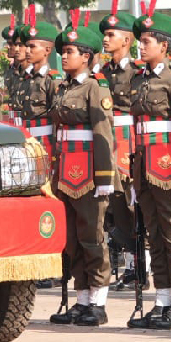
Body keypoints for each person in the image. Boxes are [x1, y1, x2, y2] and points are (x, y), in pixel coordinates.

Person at [126, 3, 171, 331]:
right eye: (140, 41)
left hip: (168, 169)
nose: (141, 46)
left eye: (147, 41)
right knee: (154, 234)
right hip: (144, 168)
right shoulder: (140, 81)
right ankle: (162, 298)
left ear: (164, 47)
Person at [47, 18, 115, 326]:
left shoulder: (94, 88)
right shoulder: (62, 87)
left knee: (92, 236)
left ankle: (98, 301)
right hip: (65, 172)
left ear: (86, 56)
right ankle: (82, 298)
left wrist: (104, 178)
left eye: (70, 51)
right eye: (63, 51)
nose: (64, 56)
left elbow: (104, 135)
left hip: (87, 173)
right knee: (71, 238)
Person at [98, 0, 144, 291]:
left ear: (127, 40)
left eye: (111, 35)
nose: (105, 39)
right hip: (110, 142)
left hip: (131, 142)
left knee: (133, 204)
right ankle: (130, 265)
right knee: (115, 207)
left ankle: (140, 266)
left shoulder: (137, 72)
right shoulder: (102, 72)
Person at [17, 20, 62, 153]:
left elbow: (57, 119)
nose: (28, 51)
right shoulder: (26, 77)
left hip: (44, 141)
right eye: (27, 46)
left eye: (32, 47)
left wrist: (55, 150)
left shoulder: (52, 79)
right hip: (25, 138)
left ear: (47, 50)